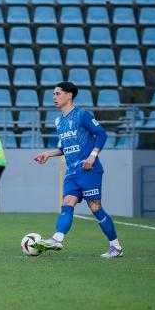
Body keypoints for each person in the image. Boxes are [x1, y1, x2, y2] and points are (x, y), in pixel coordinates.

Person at [34, 82, 123, 258]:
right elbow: (65, 148)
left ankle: (116, 247)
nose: (54, 97)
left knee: (95, 208)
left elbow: (102, 134)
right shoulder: (59, 121)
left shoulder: (82, 115)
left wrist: (93, 156)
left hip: (89, 170)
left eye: (58, 93)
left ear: (69, 95)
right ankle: (57, 239)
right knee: (67, 203)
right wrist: (48, 154)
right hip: (72, 172)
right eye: (53, 94)